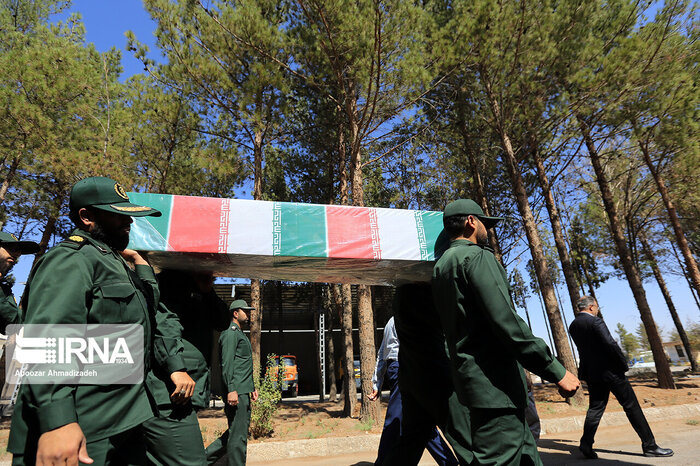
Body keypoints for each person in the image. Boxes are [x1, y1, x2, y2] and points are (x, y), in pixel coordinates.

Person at [8, 176, 195, 465]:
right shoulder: (71, 259)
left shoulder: (112, 260)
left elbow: (149, 309)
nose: (128, 222)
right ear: (87, 216)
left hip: (122, 419)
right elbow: (49, 338)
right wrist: (57, 420)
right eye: (118, 215)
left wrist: (141, 267)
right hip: (82, 425)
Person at [432, 199, 580, 465]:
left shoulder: (441, 267)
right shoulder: (476, 257)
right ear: (470, 222)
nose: (488, 230)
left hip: (477, 386)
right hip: (495, 388)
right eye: (485, 223)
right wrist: (555, 370)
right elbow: (507, 323)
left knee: (526, 457)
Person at [143, 270, 231, 466]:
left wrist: (207, 291)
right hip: (170, 394)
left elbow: (223, 321)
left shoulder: (198, 285)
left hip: (185, 393)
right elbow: (165, 325)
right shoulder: (171, 280)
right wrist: (177, 368)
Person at [569, 296, 673, 459]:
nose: (597, 310)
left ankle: (586, 443)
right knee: (631, 406)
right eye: (596, 307)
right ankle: (650, 446)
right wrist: (623, 364)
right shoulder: (596, 322)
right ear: (590, 307)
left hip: (592, 373)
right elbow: (610, 344)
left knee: (596, 408)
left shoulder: (573, 326)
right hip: (611, 372)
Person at [382, 283, 472, 466]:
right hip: (426, 367)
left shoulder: (397, 310)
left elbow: (381, 353)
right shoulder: (426, 296)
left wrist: (377, 381)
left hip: (407, 370)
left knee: (414, 432)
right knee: (464, 434)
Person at [368, 315, 458, 466]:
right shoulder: (403, 319)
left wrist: (377, 382)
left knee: (421, 421)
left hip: (403, 368)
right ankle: (382, 462)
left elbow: (382, 354)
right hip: (403, 367)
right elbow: (388, 351)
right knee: (396, 420)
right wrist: (376, 382)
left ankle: (449, 463)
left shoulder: (392, 321)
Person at [205, 299, 259, 465]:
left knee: (235, 433)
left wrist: (252, 387)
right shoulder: (230, 334)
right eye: (245, 311)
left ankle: (201, 459)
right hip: (237, 392)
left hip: (243, 390)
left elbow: (242, 364)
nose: (248, 314)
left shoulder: (239, 333)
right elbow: (227, 364)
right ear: (235, 313)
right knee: (238, 437)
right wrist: (231, 389)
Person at [0, 231, 39, 334]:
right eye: (12, 248)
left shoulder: (4, 290)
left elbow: (13, 325)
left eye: (19, 251)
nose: (18, 254)